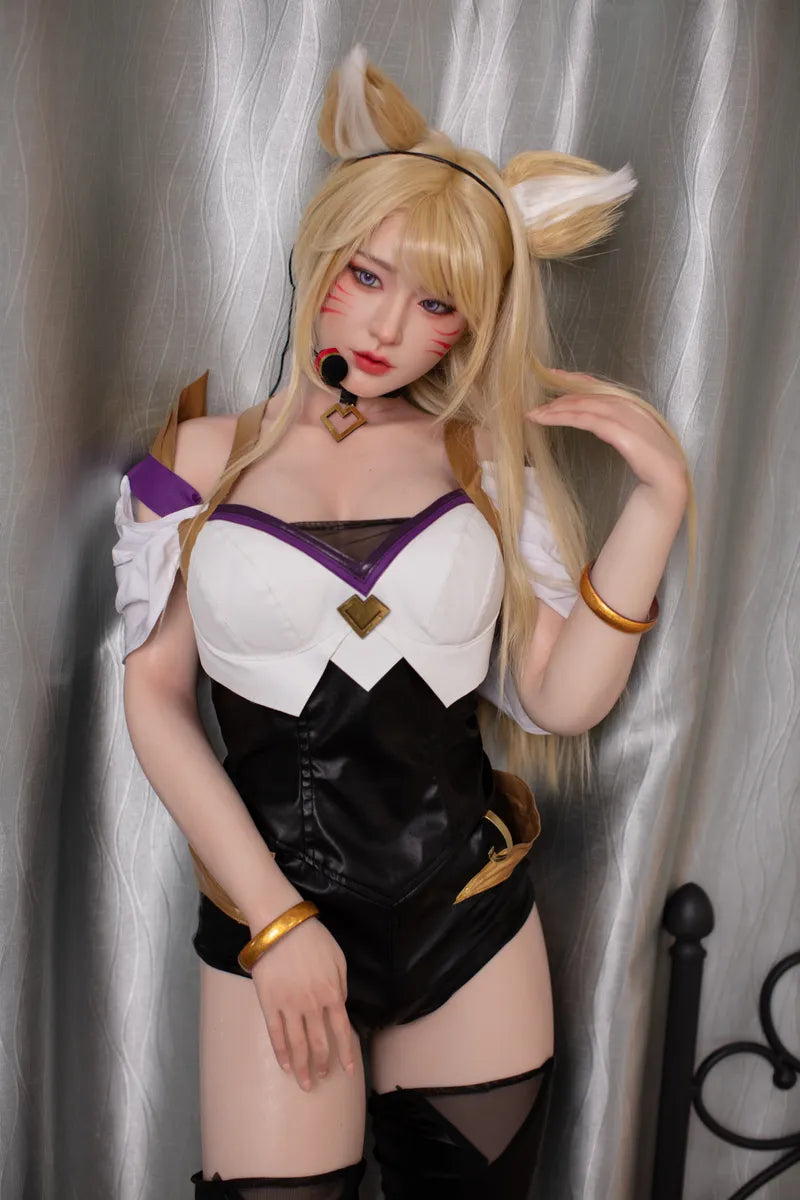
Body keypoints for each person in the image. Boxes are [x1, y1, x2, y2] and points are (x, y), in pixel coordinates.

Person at [113, 46, 691, 1200]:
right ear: (318, 254)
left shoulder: (481, 463)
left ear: (466, 330)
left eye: (435, 303)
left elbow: (559, 699)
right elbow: (156, 704)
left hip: (469, 928)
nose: (386, 325)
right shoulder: (192, 461)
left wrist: (658, 502)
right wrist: (278, 926)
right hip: (273, 925)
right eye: (367, 275)